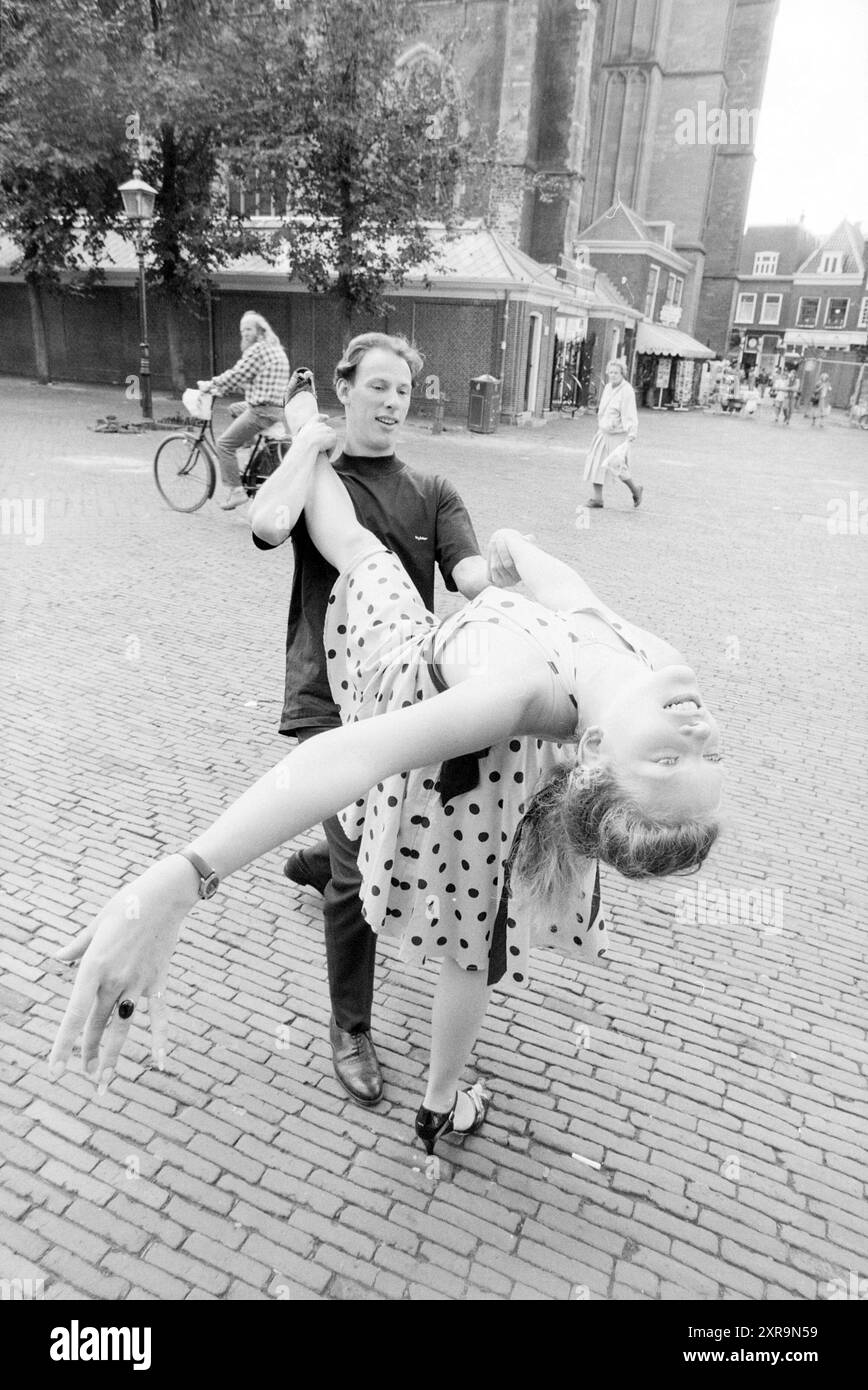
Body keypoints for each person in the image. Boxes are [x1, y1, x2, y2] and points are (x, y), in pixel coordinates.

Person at [50, 429, 724, 1158]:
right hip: (491, 767)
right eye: (706, 752)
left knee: (361, 550)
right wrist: (518, 548)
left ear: (595, 750)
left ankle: (304, 437)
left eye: (664, 758)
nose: (694, 727)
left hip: (408, 674)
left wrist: (181, 877)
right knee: (469, 928)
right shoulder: (657, 665)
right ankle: (434, 1085)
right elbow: (581, 604)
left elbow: (349, 755)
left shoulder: (518, 694)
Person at [247, 333, 490, 1107]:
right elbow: (266, 525)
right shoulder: (318, 476)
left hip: (402, 695)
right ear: (346, 389)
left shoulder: (433, 490)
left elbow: (470, 576)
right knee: (358, 873)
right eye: (376, 387)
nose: (391, 403)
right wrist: (306, 442)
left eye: (403, 392)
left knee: (371, 831)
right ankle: (350, 1026)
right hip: (327, 692)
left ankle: (323, 857)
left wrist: (510, 584)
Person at [199, 312, 290, 510]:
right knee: (234, 408)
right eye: (242, 330)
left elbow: (238, 374)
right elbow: (254, 380)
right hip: (275, 408)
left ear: (259, 330)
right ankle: (249, 448)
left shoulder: (258, 350)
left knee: (224, 444)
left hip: (261, 411)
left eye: (248, 329)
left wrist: (211, 384)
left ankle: (237, 492)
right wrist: (225, 388)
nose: (245, 333)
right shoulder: (275, 348)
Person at [583, 360, 642, 509]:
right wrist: (601, 425)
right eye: (611, 372)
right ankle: (597, 498)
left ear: (622, 374)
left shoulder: (627, 390)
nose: (613, 375)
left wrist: (631, 433)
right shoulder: (608, 387)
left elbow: (630, 413)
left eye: (617, 372)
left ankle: (635, 489)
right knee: (595, 462)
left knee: (618, 466)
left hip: (617, 434)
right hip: (604, 432)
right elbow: (603, 409)